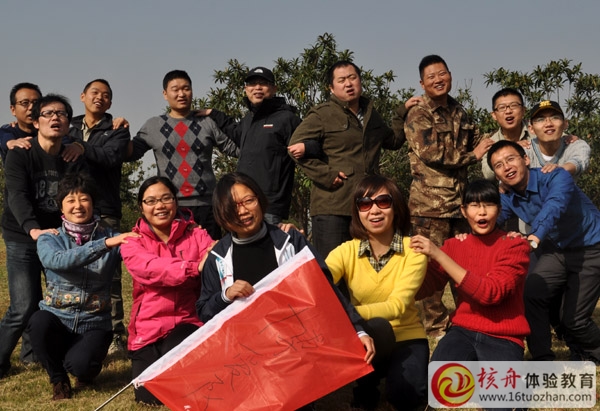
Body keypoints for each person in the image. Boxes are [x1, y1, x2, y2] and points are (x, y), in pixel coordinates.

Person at [196, 172, 374, 359]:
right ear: (222, 214)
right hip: (246, 357)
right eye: (233, 207)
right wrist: (225, 296)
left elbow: (325, 288)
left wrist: (357, 330)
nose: (243, 211)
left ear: (260, 200)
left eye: (248, 201)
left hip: (300, 346)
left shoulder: (291, 241)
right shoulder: (217, 257)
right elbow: (204, 312)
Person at [410, 179, 530, 411]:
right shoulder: (454, 246)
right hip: (462, 332)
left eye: (488, 205)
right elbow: (423, 287)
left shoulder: (515, 246)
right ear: (464, 211)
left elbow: (490, 294)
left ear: (499, 209)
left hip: (503, 337)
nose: (481, 212)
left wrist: (438, 254)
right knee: (436, 390)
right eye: (474, 205)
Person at [404, 54, 494, 338]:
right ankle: (436, 327)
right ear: (422, 83)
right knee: (430, 270)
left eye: (442, 74)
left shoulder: (459, 111)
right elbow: (431, 153)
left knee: (464, 266)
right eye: (431, 77)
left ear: (450, 76)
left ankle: (467, 319)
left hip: (460, 206)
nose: (438, 80)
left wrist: (514, 141)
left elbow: (481, 140)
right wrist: (472, 156)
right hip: (429, 207)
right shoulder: (418, 113)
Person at [27, 174, 138, 400]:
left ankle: (83, 367)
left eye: (84, 199)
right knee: (38, 323)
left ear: (93, 203)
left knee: (81, 365)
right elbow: (58, 261)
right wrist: (103, 245)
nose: (78, 205)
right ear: (61, 207)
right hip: (57, 318)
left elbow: (141, 250)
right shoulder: (50, 238)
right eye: (70, 200)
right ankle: (58, 379)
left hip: (94, 321)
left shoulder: (112, 237)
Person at [487, 140, 600, 362]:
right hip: (557, 250)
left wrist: (534, 237)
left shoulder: (557, 177)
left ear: (526, 159)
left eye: (510, 159)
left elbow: (554, 205)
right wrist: (468, 237)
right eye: (499, 165)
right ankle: (542, 359)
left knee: (575, 320)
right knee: (531, 294)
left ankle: (592, 352)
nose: (507, 167)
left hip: (591, 247)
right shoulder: (507, 196)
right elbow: (493, 221)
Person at [0, 94, 87, 379]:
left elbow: (80, 196)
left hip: (58, 238)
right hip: (22, 234)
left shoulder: (72, 156)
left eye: (61, 114)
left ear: (68, 123)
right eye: (48, 113)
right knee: (24, 305)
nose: (55, 118)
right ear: (36, 122)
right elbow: (17, 195)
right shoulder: (21, 153)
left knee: (59, 300)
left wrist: (81, 146)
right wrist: (33, 229)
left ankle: (40, 355)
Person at [326, 175, 428, 411]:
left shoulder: (414, 251)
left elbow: (397, 306)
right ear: (357, 212)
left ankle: (386, 378)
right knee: (377, 327)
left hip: (406, 335)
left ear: (396, 207)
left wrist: (347, 314)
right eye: (364, 204)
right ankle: (366, 385)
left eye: (383, 202)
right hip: (367, 335)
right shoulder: (346, 251)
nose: (374, 211)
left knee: (407, 396)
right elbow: (319, 279)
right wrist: (292, 244)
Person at [288, 60, 406, 259]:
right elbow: (294, 147)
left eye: (352, 78)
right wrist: (327, 175)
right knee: (332, 268)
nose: (348, 84)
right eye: (341, 80)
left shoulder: (371, 115)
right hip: (333, 206)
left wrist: (402, 113)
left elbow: (393, 141)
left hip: (367, 206)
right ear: (331, 88)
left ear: (360, 81)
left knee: (366, 266)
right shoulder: (323, 114)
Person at [120, 176, 214, 405]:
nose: (159, 206)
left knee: (181, 384)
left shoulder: (197, 234)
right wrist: (193, 268)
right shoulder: (132, 242)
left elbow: (214, 256)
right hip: (147, 330)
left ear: (176, 201)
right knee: (149, 397)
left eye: (166, 198)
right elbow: (150, 268)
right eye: (151, 201)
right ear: (141, 207)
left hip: (187, 322)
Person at [128, 70, 238, 240]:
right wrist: (121, 131)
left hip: (207, 206)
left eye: (186, 88)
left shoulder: (207, 122)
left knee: (210, 252)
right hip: (170, 207)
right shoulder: (153, 126)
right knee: (175, 253)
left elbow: (234, 149)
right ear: (165, 94)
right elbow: (130, 153)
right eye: (175, 89)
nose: (181, 94)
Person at [68, 79, 131, 354]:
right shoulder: (67, 125)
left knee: (109, 276)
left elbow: (110, 157)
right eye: (94, 92)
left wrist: (82, 147)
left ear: (110, 102)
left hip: (105, 210)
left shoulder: (117, 129)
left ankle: (116, 335)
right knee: (71, 272)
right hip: (72, 210)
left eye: (106, 95)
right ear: (82, 96)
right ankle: (75, 331)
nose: (100, 97)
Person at [202, 66, 302, 225]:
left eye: (263, 83)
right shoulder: (249, 119)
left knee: (268, 241)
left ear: (274, 88)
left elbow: (311, 143)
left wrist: (307, 148)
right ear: (246, 89)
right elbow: (235, 132)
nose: (257, 88)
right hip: (242, 201)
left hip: (269, 205)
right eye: (252, 84)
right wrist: (214, 113)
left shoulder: (287, 119)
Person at [524, 100, 590, 181]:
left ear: (565, 124)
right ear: (531, 129)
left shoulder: (575, 145)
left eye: (555, 118)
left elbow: (579, 161)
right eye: (540, 119)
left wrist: (561, 169)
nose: (548, 124)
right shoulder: (525, 150)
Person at [480, 88, 533, 180]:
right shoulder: (491, 143)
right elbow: (488, 175)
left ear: (523, 110)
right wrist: (512, 149)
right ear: (494, 115)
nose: (508, 111)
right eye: (502, 107)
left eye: (514, 106)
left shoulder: (537, 130)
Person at [0, 82, 42, 162]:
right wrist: (11, 142)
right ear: (13, 110)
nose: (31, 107)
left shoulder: (49, 131)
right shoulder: (8, 130)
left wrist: (69, 146)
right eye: (25, 103)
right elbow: (3, 135)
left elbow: (63, 140)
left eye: (36, 103)